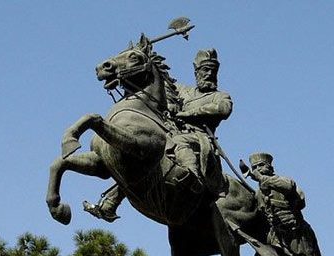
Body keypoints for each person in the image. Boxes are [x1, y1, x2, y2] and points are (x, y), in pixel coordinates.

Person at [85, 48, 233, 221]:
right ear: (196, 72)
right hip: (171, 129)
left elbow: (223, 109)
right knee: (143, 150)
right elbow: (161, 91)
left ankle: (194, 178)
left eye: (212, 71)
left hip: (198, 137)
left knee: (178, 142)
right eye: (205, 70)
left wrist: (189, 113)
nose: (208, 74)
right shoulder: (183, 91)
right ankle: (112, 201)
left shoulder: (219, 96)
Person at [240, 152, 322, 256]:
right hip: (276, 237)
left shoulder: (283, 182)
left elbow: (291, 189)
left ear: (269, 166)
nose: (258, 169)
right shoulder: (259, 193)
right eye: (254, 167)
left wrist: (261, 178)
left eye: (261, 165)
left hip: (297, 233)